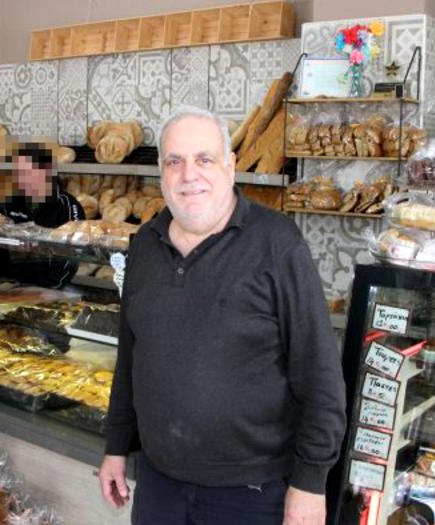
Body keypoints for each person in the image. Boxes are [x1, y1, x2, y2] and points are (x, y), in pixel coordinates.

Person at [98, 106, 346, 525]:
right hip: (159, 485)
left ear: (230, 166)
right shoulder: (145, 244)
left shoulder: (277, 243)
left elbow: (320, 375)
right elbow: (131, 358)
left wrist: (310, 482)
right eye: (174, 161)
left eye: (204, 159)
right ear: (161, 172)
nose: (188, 175)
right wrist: (116, 446)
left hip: (253, 492)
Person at [0, 141, 84, 288]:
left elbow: (72, 253)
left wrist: (49, 288)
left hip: (50, 289)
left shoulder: (67, 205)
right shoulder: (10, 202)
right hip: (11, 287)